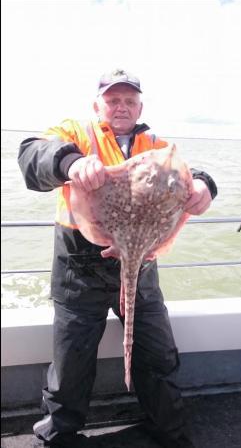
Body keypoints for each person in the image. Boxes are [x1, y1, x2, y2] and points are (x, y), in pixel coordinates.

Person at [18, 69, 217, 448]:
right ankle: (59, 436)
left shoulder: (157, 144)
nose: (121, 106)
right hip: (80, 265)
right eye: (113, 100)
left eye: (129, 100)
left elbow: (188, 174)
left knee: (156, 353)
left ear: (140, 106)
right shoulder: (77, 133)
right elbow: (31, 154)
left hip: (141, 263)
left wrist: (206, 185)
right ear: (98, 105)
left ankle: (169, 430)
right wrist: (70, 162)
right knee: (71, 361)